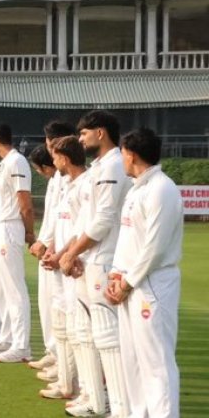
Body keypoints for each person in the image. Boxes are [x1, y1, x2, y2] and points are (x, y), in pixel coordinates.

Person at [59, 110, 129, 418]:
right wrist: (72, 252)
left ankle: (120, 407)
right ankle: (97, 400)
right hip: (92, 257)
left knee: (107, 337)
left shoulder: (114, 164)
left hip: (106, 257)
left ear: (100, 133)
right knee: (88, 332)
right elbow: (86, 220)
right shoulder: (100, 167)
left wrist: (72, 253)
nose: (80, 138)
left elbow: (102, 221)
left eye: (84, 133)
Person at [109, 128, 182, 418]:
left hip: (152, 283)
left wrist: (127, 281)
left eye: (124, 153)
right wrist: (116, 275)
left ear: (132, 154)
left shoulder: (162, 189)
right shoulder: (137, 188)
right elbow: (127, 238)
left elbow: (154, 247)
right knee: (133, 359)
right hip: (129, 283)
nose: (122, 159)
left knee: (157, 362)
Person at [39, 135, 87, 403]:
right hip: (61, 258)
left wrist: (61, 254)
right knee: (62, 320)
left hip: (74, 262)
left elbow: (82, 230)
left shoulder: (84, 184)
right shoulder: (66, 184)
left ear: (65, 158)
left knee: (78, 327)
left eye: (55, 155)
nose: (52, 160)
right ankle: (67, 381)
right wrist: (51, 250)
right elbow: (60, 224)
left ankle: (81, 387)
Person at [0, 123, 34, 363]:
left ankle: (22, 345)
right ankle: (6, 337)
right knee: (2, 287)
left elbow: (24, 200)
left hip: (11, 225)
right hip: (0, 226)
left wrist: (29, 232)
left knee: (14, 288)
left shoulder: (16, 161)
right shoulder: (6, 164)